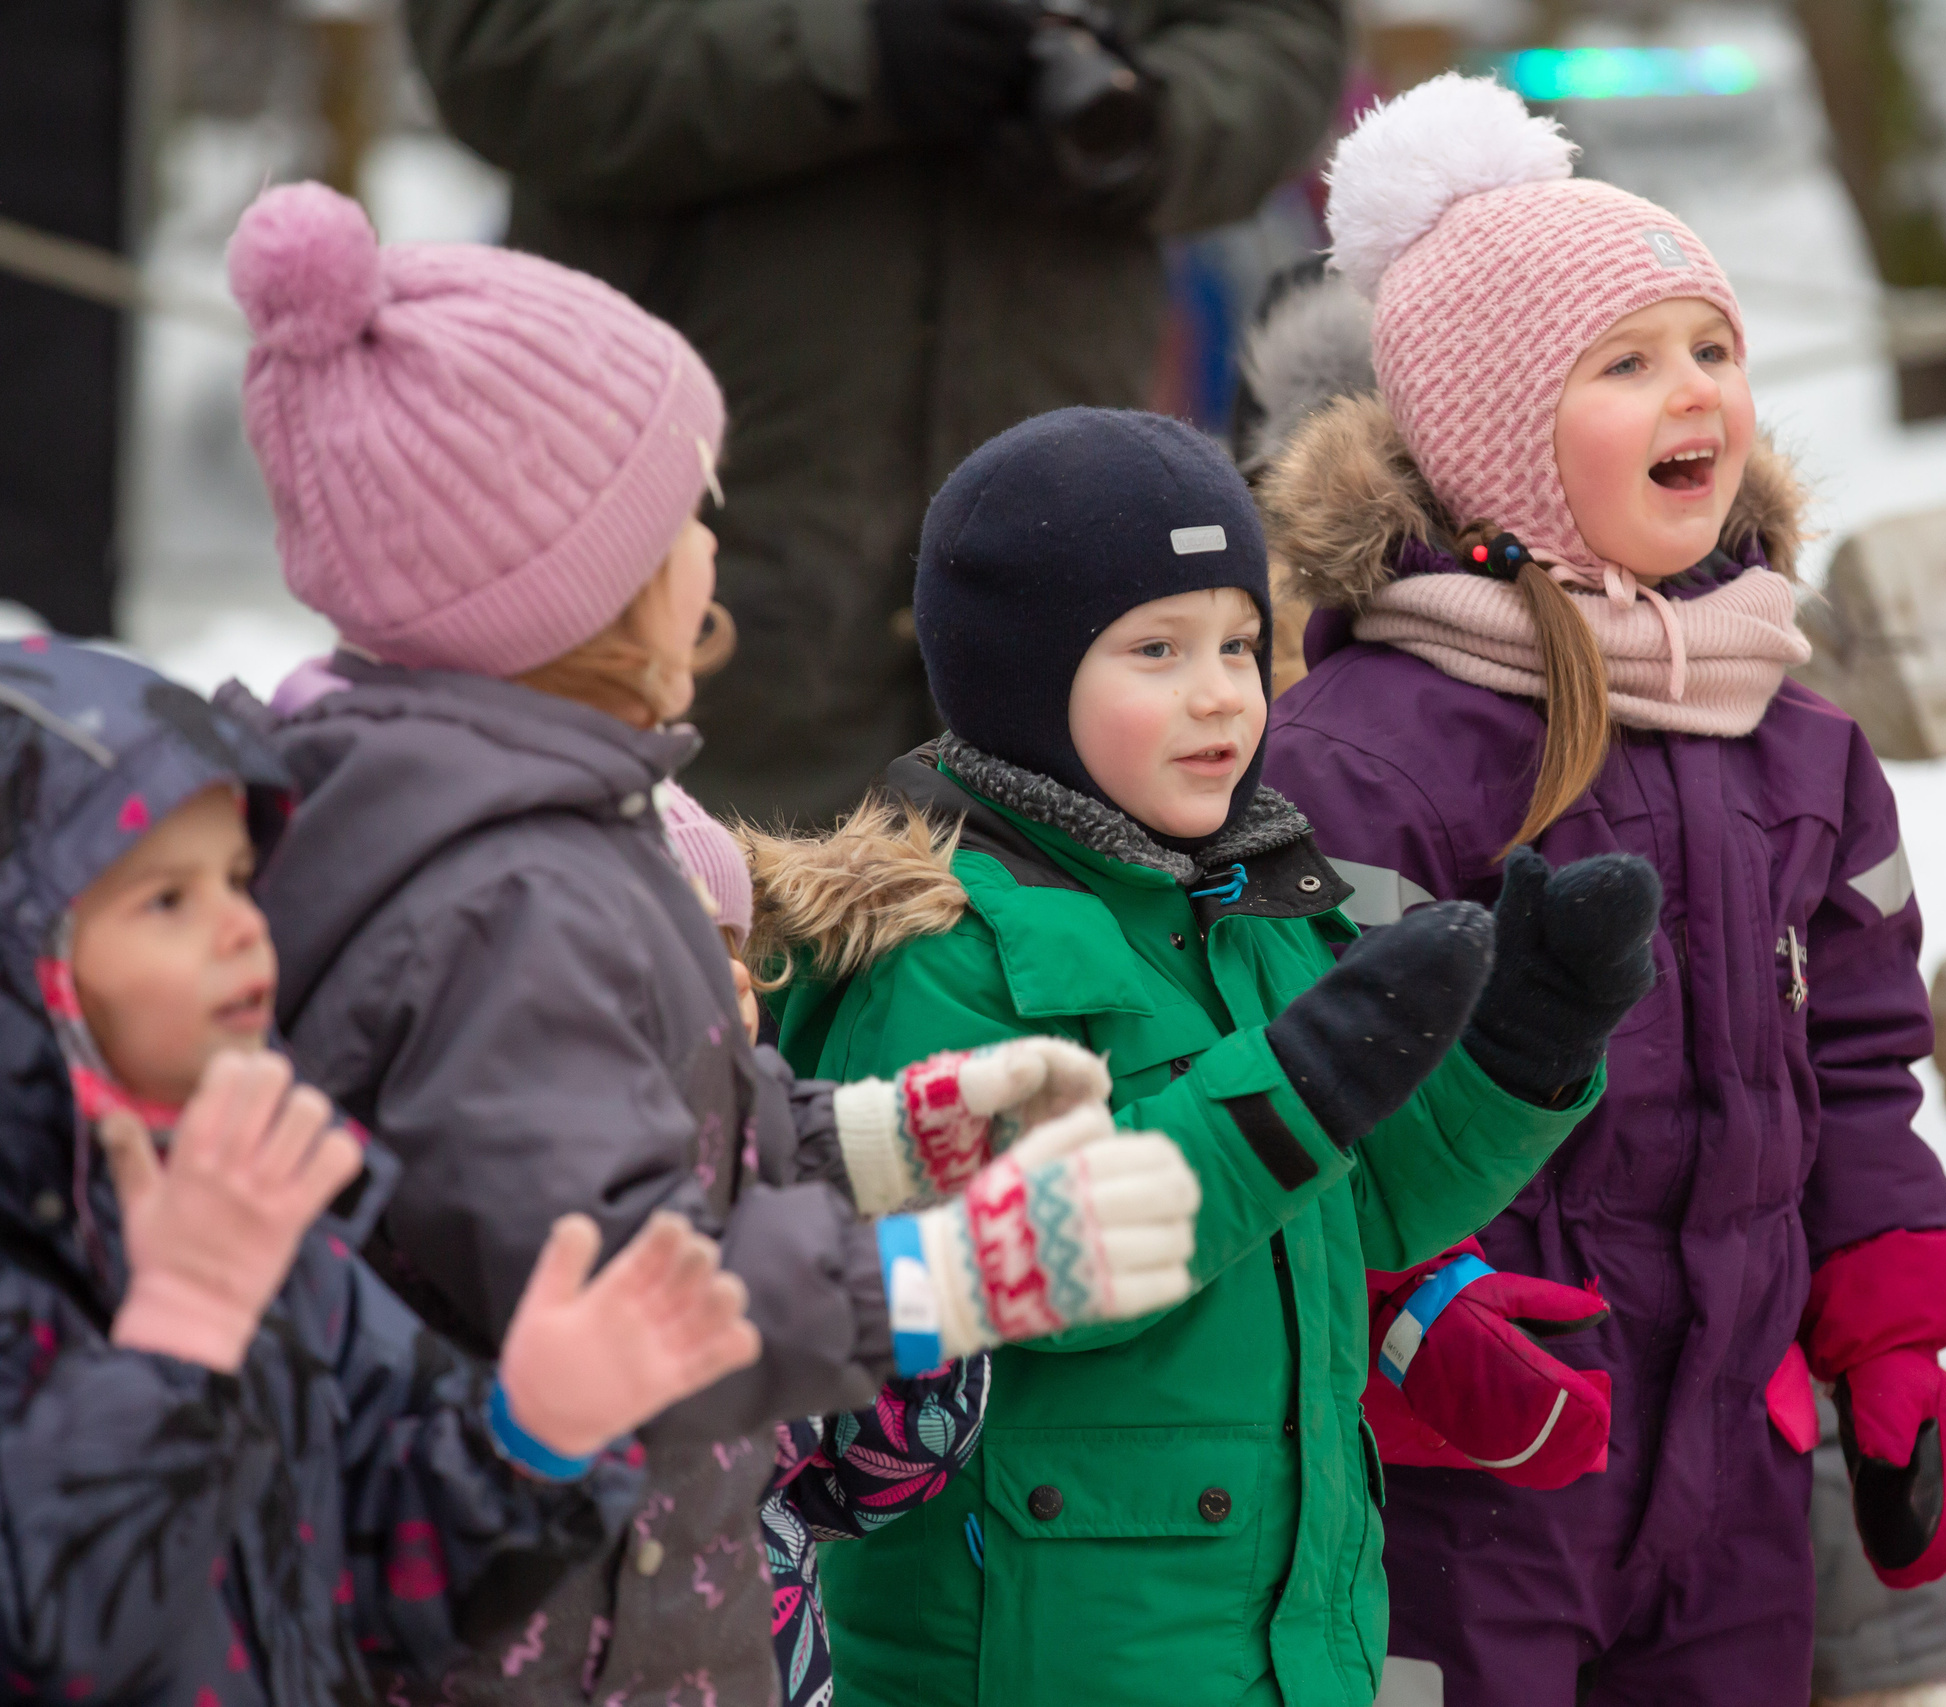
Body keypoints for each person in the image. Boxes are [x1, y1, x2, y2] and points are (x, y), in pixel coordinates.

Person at [221, 180, 1202, 1704]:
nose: (710, 548)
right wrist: (957, 1273)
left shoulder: (534, 828)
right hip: (543, 1641)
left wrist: (880, 1132)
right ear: (564, 586)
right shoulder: (507, 893)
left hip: (609, 1599)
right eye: (685, 513)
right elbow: (613, 1272)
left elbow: (624, 1139)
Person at [749, 407, 1662, 1707]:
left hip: (1292, 1622)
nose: (1222, 689)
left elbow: (1365, 1200)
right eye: (1157, 649)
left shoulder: (1260, 906)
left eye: (1239, 640)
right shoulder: (936, 950)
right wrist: (1305, 1079)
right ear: (1018, 674)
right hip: (1050, 1646)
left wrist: (1524, 1045)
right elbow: (1021, 1277)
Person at [1254, 77, 1946, 1705]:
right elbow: (1298, 1087)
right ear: (1499, 431)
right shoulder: (1374, 753)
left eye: (1711, 348)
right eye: (1628, 362)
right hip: (1474, 1452)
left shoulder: (1793, 732)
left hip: (1733, 1446)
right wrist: (1420, 1309)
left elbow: (1859, 1051)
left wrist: (1890, 1328)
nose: (1695, 394)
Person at [0, 639, 763, 1704]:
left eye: (236, 878)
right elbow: (55, 1630)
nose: (237, 928)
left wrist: (536, 1439)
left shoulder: (259, 1200)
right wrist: (179, 1338)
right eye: (164, 902)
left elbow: (388, 1575)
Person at [403, 0, 1352, 828]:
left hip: (1057, 546)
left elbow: (1276, 34)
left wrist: (1148, 121)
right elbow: (501, 41)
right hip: (681, 540)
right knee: (675, 977)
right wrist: (848, 52)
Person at [658, 778, 996, 1707]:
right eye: (682, 943)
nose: (731, 974)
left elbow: (862, 1480)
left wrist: (928, 1298)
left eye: (735, 946)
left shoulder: (782, 1165)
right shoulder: (508, 1203)